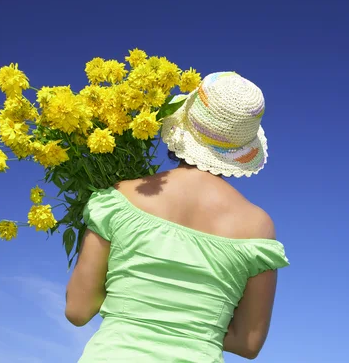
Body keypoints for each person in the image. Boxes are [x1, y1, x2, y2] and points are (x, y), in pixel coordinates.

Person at [65, 72, 289, 362]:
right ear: (240, 149)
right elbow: (249, 343)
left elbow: (78, 310)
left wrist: (136, 308)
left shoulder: (119, 199)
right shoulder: (257, 227)